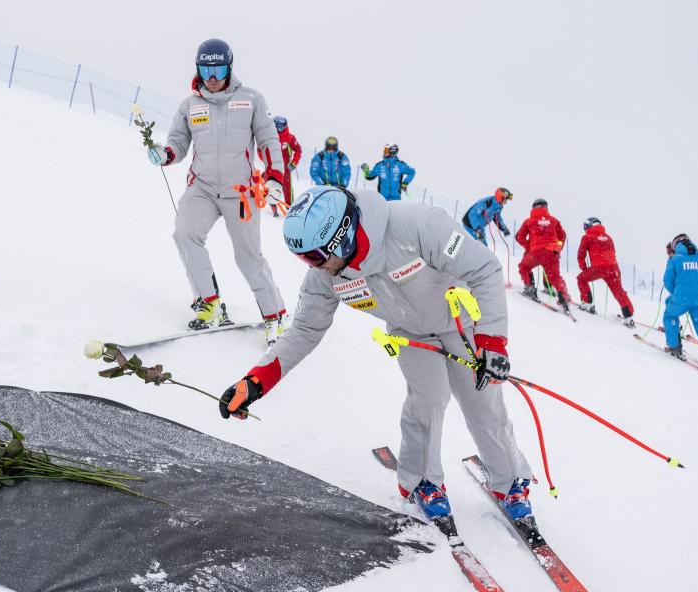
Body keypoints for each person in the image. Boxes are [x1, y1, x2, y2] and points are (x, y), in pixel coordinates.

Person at [218, 186, 535, 526]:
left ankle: (509, 480)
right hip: (411, 333)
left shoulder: (418, 225)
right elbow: (304, 330)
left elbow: (484, 268)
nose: (315, 267)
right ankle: (422, 481)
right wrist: (255, 381)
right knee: (426, 402)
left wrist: (493, 341)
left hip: (463, 323)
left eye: (314, 256)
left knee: (482, 403)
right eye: (306, 259)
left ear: (339, 238)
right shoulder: (327, 277)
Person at [144, 38, 288, 345]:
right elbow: (178, 143)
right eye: (206, 68)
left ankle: (275, 316)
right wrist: (166, 153)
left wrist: (275, 178)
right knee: (185, 234)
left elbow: (269, 142)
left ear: (229, 66)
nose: (212, 75)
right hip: (204, 188)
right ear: (198, 67)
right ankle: (208, 302)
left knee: (248, 257)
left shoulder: (251, 100)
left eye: (218, 67)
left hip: (241, 192)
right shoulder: (190, 105)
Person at [662, 233, 698, 372]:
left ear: (676, 245)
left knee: (670, 316)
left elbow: (668, 282)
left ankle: (675, 346)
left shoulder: (674, 259)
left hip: (681, 299)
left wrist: (679, 291)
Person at [576, 218, 635, 326]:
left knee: (581, 279)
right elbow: (613, 252)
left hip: (598, 268)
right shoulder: (608, 237)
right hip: (613, 268)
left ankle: (587, 303)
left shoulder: (587, 237)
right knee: (618, 291)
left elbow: (581, 255)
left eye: (585, 227)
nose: (585, 230)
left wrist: (584, 269)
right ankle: (628, 315)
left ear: (589, 226)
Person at [515, 198, 569, 311]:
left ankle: (530, 289)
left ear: (533, 207)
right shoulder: (553, 220)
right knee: (555, 277)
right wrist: (558, 247)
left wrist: (529, 246)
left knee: (524, 267)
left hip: (536, 252)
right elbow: (562, 236)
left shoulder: (529, 221)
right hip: (552, 252)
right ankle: (563, 295)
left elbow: (519, 237)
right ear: (546, 207)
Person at [261, 116, 302, 217]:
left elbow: (298, 150)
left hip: (285, 169)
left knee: (287, 189)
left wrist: (294, 163)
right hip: (271, 168)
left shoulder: (290, 138)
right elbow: (260, 149)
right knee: (271, 187)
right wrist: (267, 161)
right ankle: (273, 208)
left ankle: (290, 208)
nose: (279, 130)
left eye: (281, 127)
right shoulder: (269, 137)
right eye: (277, 127)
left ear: (285, 126)